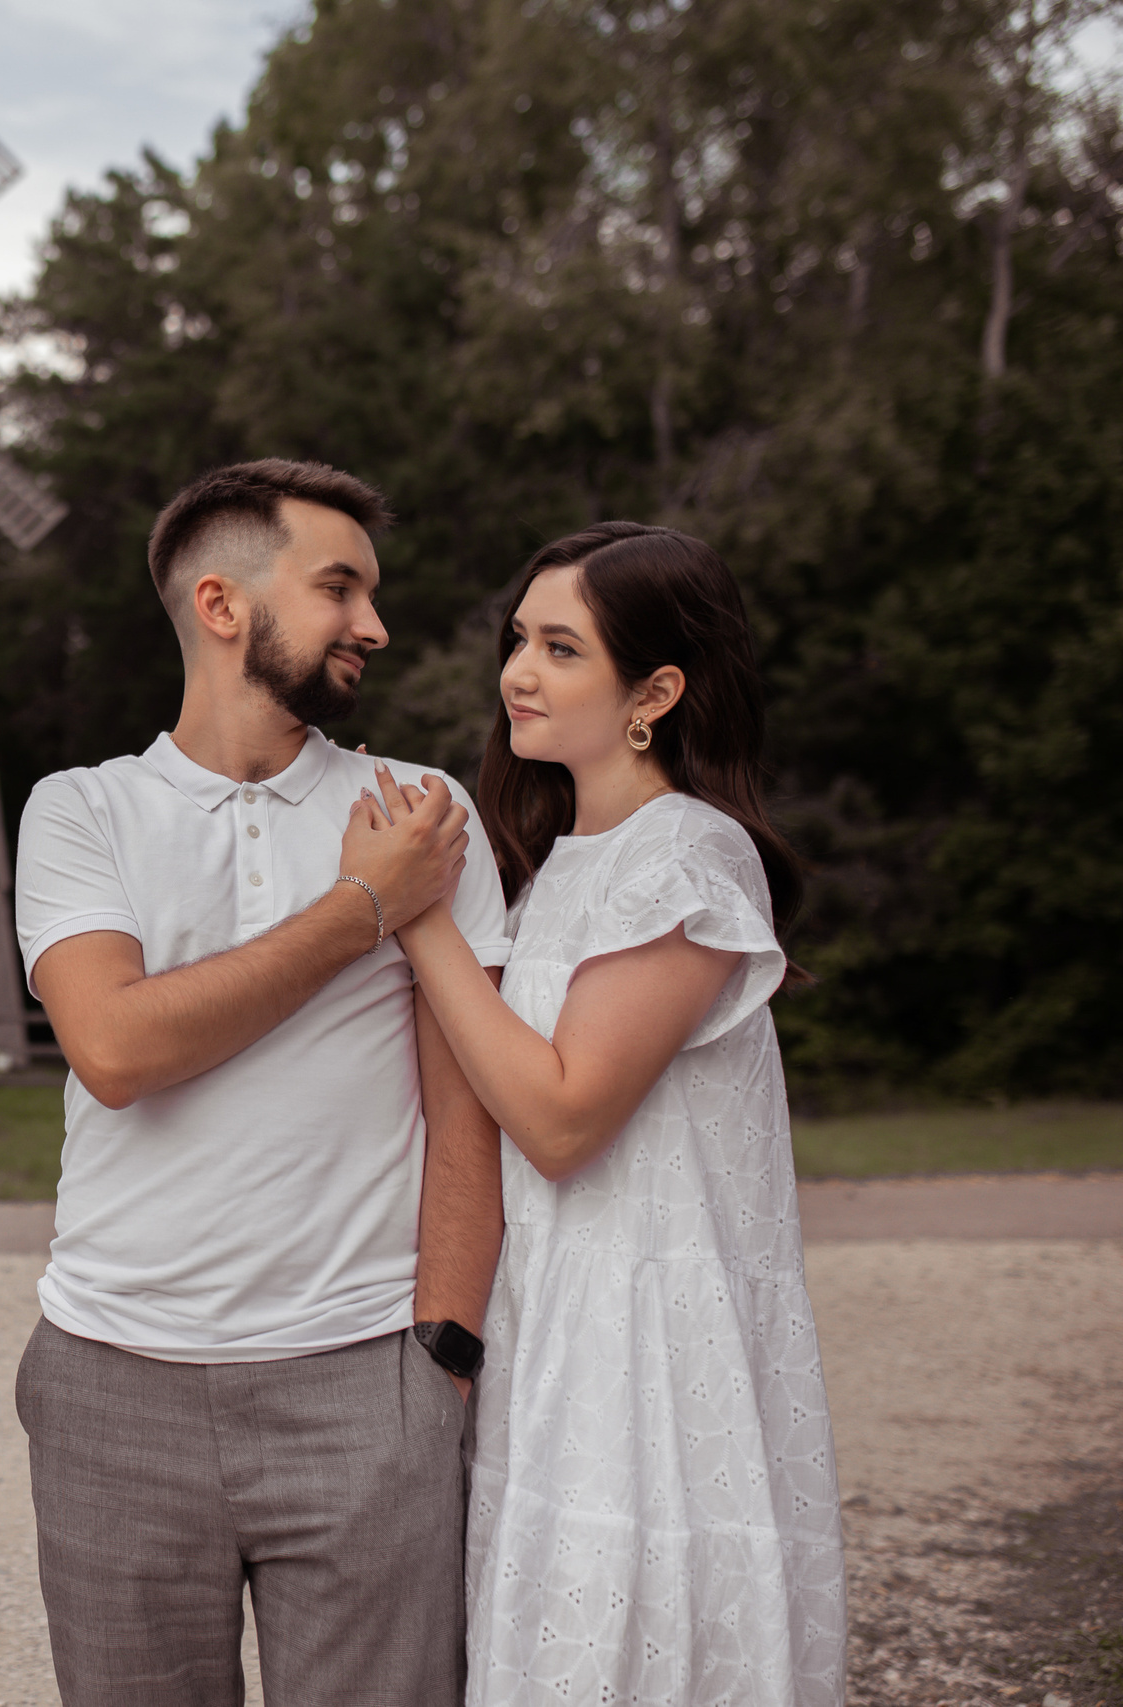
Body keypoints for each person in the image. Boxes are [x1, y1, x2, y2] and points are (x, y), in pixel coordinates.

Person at [14, 458, 513, 1707]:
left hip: (364, 1382)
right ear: (224, 605)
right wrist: (360, 911)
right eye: (339, 586)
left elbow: (469, 1112)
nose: (373, 625)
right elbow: (116, 1051)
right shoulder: (80, 811)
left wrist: (441, 1354)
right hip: (109, 1383)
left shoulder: (424, 814)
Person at [384, 522, 845, 1706]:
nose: (517, 674)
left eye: (559, 648)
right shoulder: (560, 864)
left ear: (654, 692)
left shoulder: (685, 860)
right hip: (557, 1317)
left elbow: (562, 1118)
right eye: (516, 641)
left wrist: (417, 919)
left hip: (647, 1340)